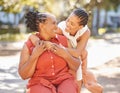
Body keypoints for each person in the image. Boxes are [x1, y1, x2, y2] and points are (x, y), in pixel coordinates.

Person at [28, 8, 103, 93]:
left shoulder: (85, 32)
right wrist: (38, 40)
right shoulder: (62, 27)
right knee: (72, 79)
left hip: (80, 56)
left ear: (80, 27)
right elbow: (43, 33)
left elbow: (77, 52)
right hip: (70, 56)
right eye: (68, 20)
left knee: (85, 81)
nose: (68, 24)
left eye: (72, 24)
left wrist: (59, 48)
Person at [18, 11, 81, 93]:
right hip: (39, 82)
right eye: (53, 23)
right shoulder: (28, 45)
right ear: (42, 26)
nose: (56, 27)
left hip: (64, 80)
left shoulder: (64, 40)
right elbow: (24, 75)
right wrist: (35, 55)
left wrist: (65, 54)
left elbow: (76, 66)